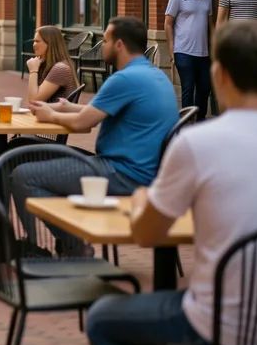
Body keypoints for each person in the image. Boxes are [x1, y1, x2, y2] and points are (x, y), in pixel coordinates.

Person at [86, 20, 257, 345]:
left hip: (220, 333)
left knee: (104, 317)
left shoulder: (199, 143)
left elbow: (149, 234)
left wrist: (141, 200)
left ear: (219, 76)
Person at [21, 16, 179, 253]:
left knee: (23, 174)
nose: (101, 46)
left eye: (105, 40)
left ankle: (73, 248)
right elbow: (95, 111)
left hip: (122, 172)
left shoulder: (124, 78)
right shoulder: (153, 75)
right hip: (145, 171)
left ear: (119, 45)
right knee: (42, 162)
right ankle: (68, 244)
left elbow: (82, 124)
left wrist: (50, 116)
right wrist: (68, 107)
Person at [166, 0, 213, 119]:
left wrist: (213, 48)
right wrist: (172, 50)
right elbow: (168, 23)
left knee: (205, 88)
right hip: (183, 51)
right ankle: (185, 126)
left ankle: (199, 123)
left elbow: (210, 26)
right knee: (188, 88)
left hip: (204, 53)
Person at [24, 25, 80, 104]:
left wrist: (33, 71)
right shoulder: (45, 64)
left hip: (59, 116)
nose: (34, 45)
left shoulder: (60, 68)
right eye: (34, 41)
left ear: (50, 44)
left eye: (37, 41)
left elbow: (33, 102)